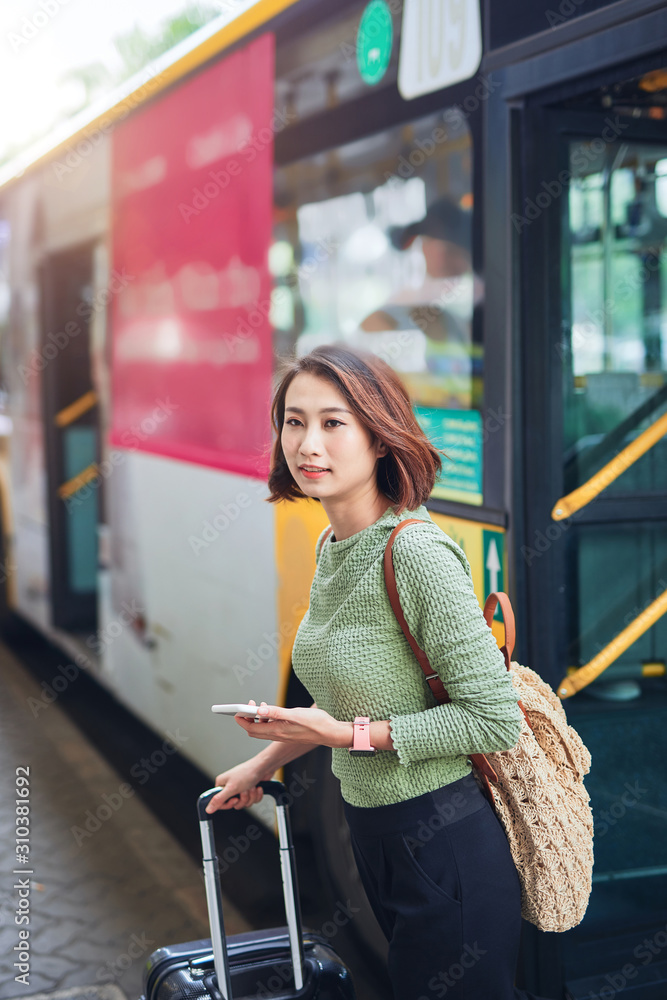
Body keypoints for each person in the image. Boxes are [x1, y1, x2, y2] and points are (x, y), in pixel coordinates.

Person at [206, 344, 551, 1000]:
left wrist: (342, 738)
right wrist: (264, 763)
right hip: (377, 836)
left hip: (443, 842)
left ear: (380, 437)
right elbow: (339, 699)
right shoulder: (334, 546)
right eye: (293, 421)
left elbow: (492, 719)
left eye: (333, 423)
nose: (308, 443)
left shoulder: (417, 554)